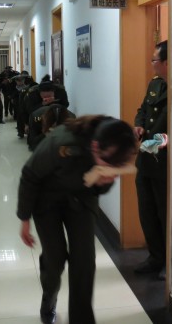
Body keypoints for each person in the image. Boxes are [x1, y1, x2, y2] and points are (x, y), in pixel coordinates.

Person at [17, 115, 137, 324]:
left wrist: (103, 182)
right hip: (47, 200)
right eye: (108, 163)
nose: (112, 168)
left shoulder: (113, 145)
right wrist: (24, 218)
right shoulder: (62, 143)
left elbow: (100, 185)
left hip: (82, 200)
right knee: (55, 259)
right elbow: (30, 174)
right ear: (95, 146)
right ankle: (49, 296)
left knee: (84, 261)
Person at [134, 40, 168, 280]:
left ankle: (169, 263)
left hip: (164, 163)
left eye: (154, 59)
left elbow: (169, 130)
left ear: (167, 62)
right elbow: (143, 110)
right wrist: (138, 125)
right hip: (146, 161)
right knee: (147, 213)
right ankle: (155, 258)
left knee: (164, 214)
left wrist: (147, 145)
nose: (152, 64)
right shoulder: (154, 84)